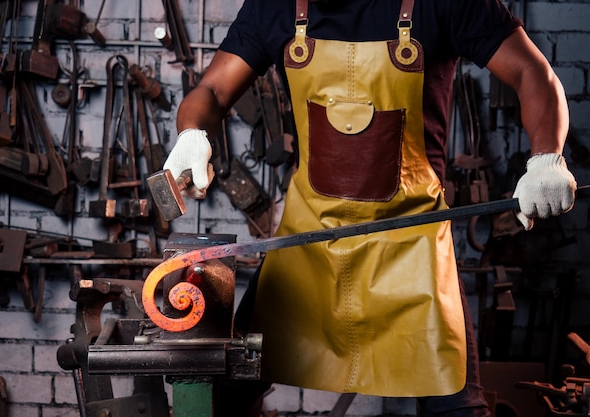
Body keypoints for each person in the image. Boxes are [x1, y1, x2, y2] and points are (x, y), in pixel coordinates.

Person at [163, 0, 578, 415]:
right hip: (309, 245)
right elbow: (213, 90)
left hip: (412, 249)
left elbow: (531, 72)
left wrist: (546, 158)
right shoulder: (275, 7)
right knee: (223, 397)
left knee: (456, 407)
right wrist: (191, 134)